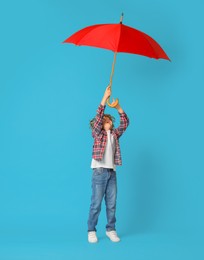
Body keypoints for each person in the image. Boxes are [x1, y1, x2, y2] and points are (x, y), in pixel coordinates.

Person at [87, 85, 130, 243]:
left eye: (109, 120)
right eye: (106, 120)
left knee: (111, 204)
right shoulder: (97, 133)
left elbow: (125, 123)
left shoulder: (114, 134)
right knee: (96, 203)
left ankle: (111, 229)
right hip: (99, 172)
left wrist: (118, 107)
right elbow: (98, 117)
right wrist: (104, 98)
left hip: (111, 172)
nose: (108, 122)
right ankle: (91, 230)